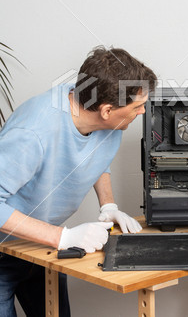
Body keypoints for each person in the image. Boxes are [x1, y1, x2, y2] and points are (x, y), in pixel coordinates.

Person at [0, 46, 157, 317]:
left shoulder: (106, 120)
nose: (143, 112)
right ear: (107, 110)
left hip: (40, 246)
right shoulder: (34, 131)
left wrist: (108, 206)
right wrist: (64, 237)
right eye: (138, 106)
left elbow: (97, 157)